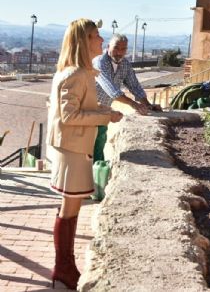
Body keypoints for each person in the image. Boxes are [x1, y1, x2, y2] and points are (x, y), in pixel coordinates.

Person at [47, 19, 123, 288]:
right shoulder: (76, 74)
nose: (101, 40)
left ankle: (64, 266)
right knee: (69, 209)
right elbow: (69, 116)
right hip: (73, 150)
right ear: (83, 41)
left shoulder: (78, 72)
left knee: (70, 207)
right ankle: (63, 268)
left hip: (74, 148)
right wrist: (106, 116)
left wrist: (105, 114)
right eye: (96, 36)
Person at [93, 34, 161, 161]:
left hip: (104, 112)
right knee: (89, 148)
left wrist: (147, 104)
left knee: (99, 144)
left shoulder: (125, 64)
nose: (119, 52)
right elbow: (111, 90)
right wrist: (134, 105)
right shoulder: (100, 62)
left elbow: (134, 86)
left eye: (123, 49)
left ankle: (97, 176)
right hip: (90, 110)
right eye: (116, 48)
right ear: (108, 47)